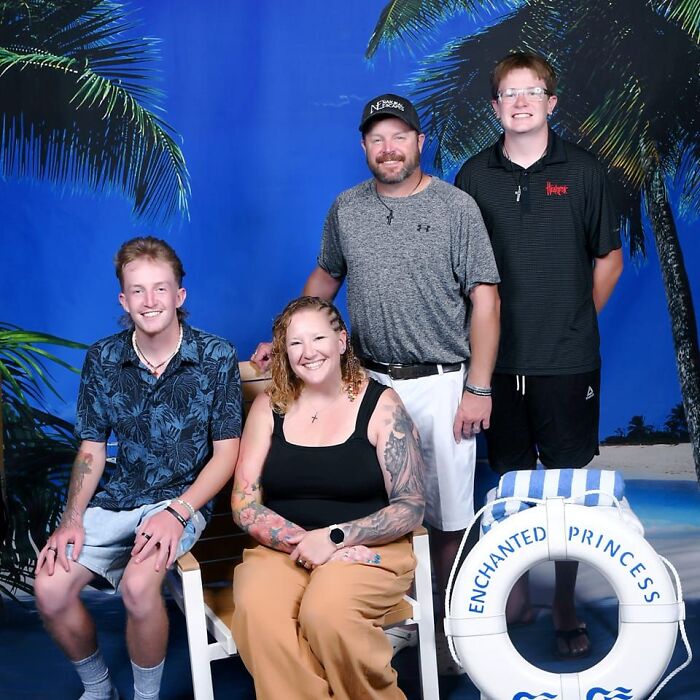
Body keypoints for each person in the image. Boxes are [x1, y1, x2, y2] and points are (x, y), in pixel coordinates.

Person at [251, 94, 500, 670]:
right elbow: (325, 277)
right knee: (378, 501)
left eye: (399, 137)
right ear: (365, 146)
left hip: (439, 380)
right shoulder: (347, 208)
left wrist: (478, 387)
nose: (388, 149)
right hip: (364, 381)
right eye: (376, 139)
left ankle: (445, 629)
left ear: (419, 141)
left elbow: (485, 301)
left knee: (445, 515)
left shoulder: (457, 207)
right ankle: (391, 612)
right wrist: (285, 333)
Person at [454, 52, 623, 658]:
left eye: (533, 91)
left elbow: (607, 259)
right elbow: (462, 273)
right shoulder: (473, 177)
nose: (520, 102)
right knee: (508, 486)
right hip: (496, 366)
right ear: (495, 106)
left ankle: (564, 602)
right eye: (508, 93)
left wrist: (575, 318)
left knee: (567, 490)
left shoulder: (584, 171)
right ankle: (517, 587)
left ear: (552, 102)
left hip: (568, 362)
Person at [34, 237, 242, 700]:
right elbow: (91, 447)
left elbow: (227, 452)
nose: (151, 301)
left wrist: (180, 512)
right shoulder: (103, 359)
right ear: (123, 300)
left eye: (161, 289)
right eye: (139, 291)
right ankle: (99, 688)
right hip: (120, 493)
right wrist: (70, 520)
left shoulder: (216, 357)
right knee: (49, 587)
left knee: (138, 584)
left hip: (183, 497)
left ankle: (145, 697)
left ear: (180, 296)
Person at [232, 296, 425, 699]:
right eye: (296, 343)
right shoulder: (270, 407)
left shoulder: (381, 406)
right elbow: (244, 502)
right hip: (283, 548)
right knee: (258, 611)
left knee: (328, 613)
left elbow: (410, 504)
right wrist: (306, 544)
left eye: (318, 337)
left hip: (369, 548)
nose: (308, 352)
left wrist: (336, 538)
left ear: (341, 341)